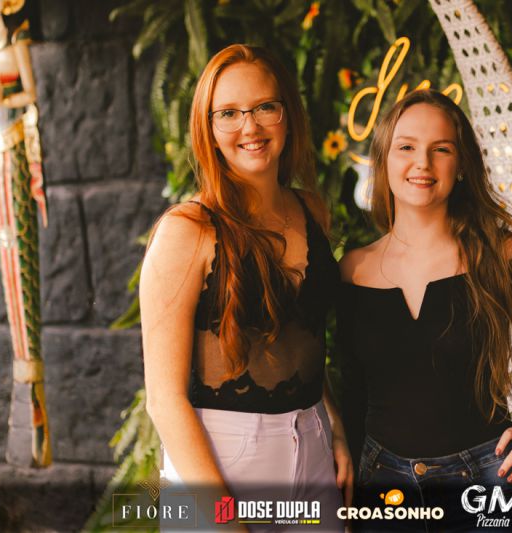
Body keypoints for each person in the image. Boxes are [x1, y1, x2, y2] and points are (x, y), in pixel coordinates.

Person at [338, 89, 512, 532]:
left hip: (487, 479)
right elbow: (352, 389)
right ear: (383, 159)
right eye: (406, 147)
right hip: (382, 487)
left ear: (462, 164)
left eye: (441, 149)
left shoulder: (503, 254)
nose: (422, 163)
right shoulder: (353, 270)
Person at [140, 44, 350, 531]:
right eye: (229, 113)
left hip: (312, 446)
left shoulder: (312, 210)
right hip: (221, 459)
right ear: (208, 129)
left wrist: (333, 423)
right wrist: (223, 518)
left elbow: (300, 336)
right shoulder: (187, 231)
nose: (249, 127)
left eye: (264, 107)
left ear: (287, 115)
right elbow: (164, 400)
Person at [0, 0, 51, 468]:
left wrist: (3, 100)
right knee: (6, 251)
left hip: (18, 146)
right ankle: (24, 391)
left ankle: (35, 398)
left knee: (22, 255)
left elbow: (30, 93)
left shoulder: (18, 39)